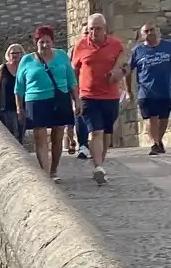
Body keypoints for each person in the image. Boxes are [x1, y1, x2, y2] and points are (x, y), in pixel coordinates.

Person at [70, 11, 127, 186]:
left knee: (106, 133)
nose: (95, 32)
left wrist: (120, 72)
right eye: (91, 29)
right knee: (96, 131)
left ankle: (99, 163)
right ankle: (98, 167)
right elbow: (73, 71)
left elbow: (126, 65)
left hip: (110, 96)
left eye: (98, 29)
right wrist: (75, 97)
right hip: (88, 96)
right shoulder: (81, 45)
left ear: (105, 29)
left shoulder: (116, 45)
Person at [15, 26, 78, 179]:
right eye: (41, 42)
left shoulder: (62, 55)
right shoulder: (27, 60)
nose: (45, 45)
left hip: (59, 98)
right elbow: (19, 86)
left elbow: (71, 80)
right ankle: (45, 173)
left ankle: (54, 170)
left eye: (47, 41)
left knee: (57, 136)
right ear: (36, 43)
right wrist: (19, 107)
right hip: (35, 100)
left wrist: (77, 100)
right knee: (40, 137)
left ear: (52, 41)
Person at [126, 20, 171, 155]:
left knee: (163, 118)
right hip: (146, 91)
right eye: (146, 31)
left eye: (152, 30)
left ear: (157, 31)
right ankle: (155, 144)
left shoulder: (168, 46)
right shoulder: (137, 51)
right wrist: (129, 91)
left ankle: (158, 141)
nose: (150, 33)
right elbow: (128, 70)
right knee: (151, 117)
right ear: (142, 35)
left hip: (166, 90)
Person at [0, 44, 26, 141]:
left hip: (23, 106)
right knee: (12, 133)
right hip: (7, 107)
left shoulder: (25, 68)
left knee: (21, 134)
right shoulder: (3, 68)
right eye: (13, 53)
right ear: (8, 55)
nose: (16, 55)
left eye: (18, 53)